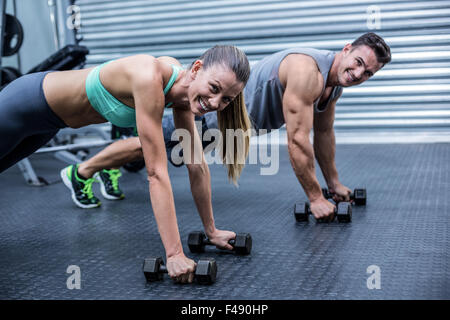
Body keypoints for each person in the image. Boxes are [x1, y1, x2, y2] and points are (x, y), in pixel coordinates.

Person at [61, 32, 391, 221]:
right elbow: (298, 140)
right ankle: (82, 171)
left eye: (368, 73)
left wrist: (333, 184)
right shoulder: (309, 72)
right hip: (216, 113)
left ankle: (106, 169)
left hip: (232, 125)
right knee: (150, 147)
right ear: (347, 49)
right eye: (359, 62)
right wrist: (316, 198)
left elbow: (323, 134)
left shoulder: (333, 87)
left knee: (161, 151)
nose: (359, 73)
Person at [0, 45, 252, 283]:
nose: (216, 103)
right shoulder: (149, 77)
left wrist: (212, 231)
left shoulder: (184, 96)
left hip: (48, 124)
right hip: (26, 103)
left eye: (227, 99)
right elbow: (156, 173)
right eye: (214, 88)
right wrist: (174, 254)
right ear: (196, 69)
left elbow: (196, 165)